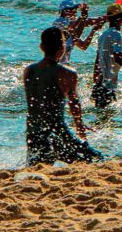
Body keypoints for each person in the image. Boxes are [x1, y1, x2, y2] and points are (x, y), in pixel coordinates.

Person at [24, 28, 101, 166]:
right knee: (95, 158)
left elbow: (33, 102)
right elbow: (74, 104)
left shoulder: (29, 70)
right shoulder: (66, 72)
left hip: (33, 134)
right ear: (63, 47)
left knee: (38, 165)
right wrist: (79, 126)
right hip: (57, 134)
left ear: (41, 47)